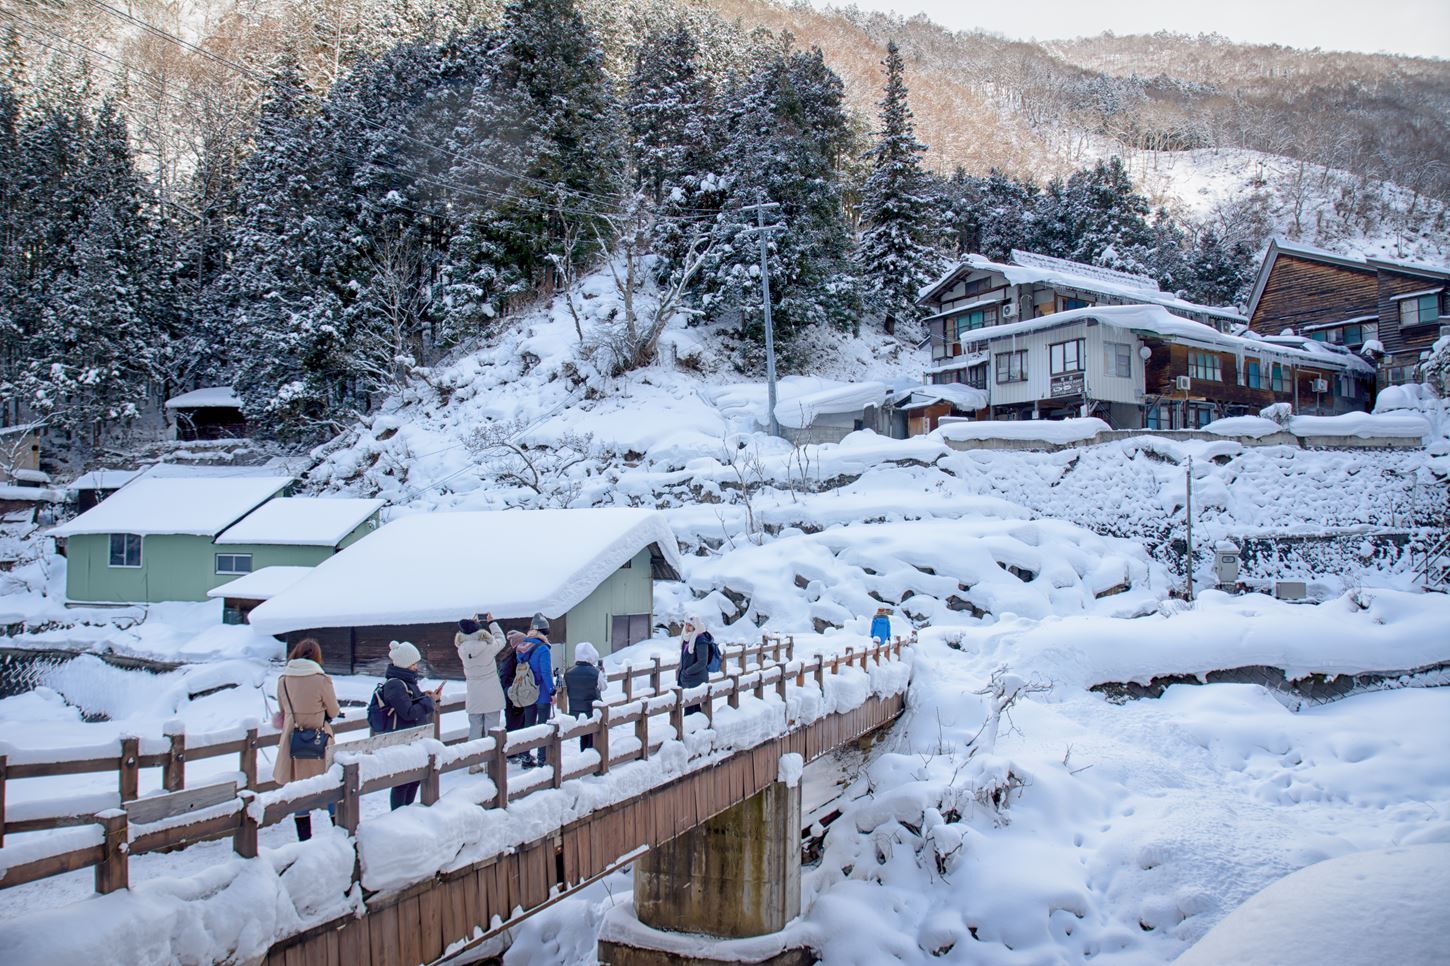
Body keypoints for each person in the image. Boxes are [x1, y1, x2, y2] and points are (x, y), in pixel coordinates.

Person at [274, 638, 340, 841]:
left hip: (293, 740)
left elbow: (283, 710)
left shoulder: (283, 680)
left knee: (299, 787)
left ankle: (304, 840)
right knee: (331, 784)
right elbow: (334, 710)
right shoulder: (321, 679)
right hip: (319, 738)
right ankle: (339, 831)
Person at [380, 640, 441, 809]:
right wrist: (428, 701)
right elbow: (407, 712)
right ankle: (399, 816)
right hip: (402, 738)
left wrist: (425, 697)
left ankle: (406, 814)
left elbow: (410, 703)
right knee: (403, 781)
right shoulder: (395, 684)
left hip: (412, 737)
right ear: (405, 664)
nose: (416, 667)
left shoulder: (405, 682)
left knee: (414, 778)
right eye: (414, 664)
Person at [456, 612, 506, 773]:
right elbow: (501, 639)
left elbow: (465, 636)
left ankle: (474, 763)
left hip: (474, 694)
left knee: (475, 729)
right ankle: (490, 763)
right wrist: (492, 622)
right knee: (492, 729)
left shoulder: (462, 650)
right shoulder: (488, 647)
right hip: (491, 693)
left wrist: (471, 625)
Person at [510, 615, 555, 768]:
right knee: (542, 726)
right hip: (541, 693)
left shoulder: (522, 647)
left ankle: (525, 756)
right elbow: (545, 673)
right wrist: (552, 691)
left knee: (529, 724)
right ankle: (542, 759)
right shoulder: (543, 649)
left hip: (527, 691)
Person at [564, 642, 605, 751]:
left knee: (583, 736)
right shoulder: (595, 672)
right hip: (592, 710)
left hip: (575, 710)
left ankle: (583, 758)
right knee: (593, 737)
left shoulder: (568, 672)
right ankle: (592, 760)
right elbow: (603, 687)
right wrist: (602, 674)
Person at [677, 614, 712, 716]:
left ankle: (692, 729)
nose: (687, 627)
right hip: (687, 679)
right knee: (690, 705)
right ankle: (694, 729)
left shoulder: (701, 640)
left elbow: (702, 662)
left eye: (690, 625)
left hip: (696, 678)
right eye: (686, 624)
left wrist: (687, 671)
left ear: (695, 626)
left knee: (692, 706)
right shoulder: (686, 638)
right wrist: (680, 667)